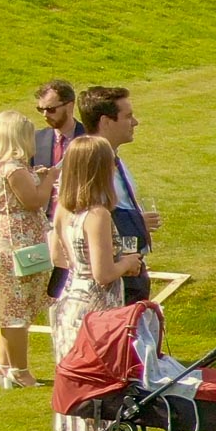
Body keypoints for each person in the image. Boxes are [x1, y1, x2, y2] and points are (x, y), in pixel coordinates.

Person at [48, 137, 140, 431]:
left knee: (74, 388)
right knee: (98, 387)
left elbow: (61, 258)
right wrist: (127, 262)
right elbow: (103, 273)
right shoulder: (97, 214)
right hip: (95, 308)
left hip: (70, 302)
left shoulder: (63, 209)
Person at [0, 111, 57, 389]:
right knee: (16, 308)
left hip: (1, 236)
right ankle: (20, 370)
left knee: (8, 305)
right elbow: (34, 200)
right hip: (16, 242)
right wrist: (49, 179)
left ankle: (3, 365)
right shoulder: (12, 167)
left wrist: (35, 177)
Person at [78, 87, 159, 304]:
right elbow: (88, 217)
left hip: (131, 268)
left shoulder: (115, 160)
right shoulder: (87, 167)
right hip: (113, 279)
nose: (135, 122)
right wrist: (135, 221)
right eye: (128, 116)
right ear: (105, 122)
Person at [32, 79, 84, 172]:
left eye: (51, 109)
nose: (45, 114)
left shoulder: (91, 137)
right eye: (41, 109)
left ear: (69, 106)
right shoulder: (35, 140)